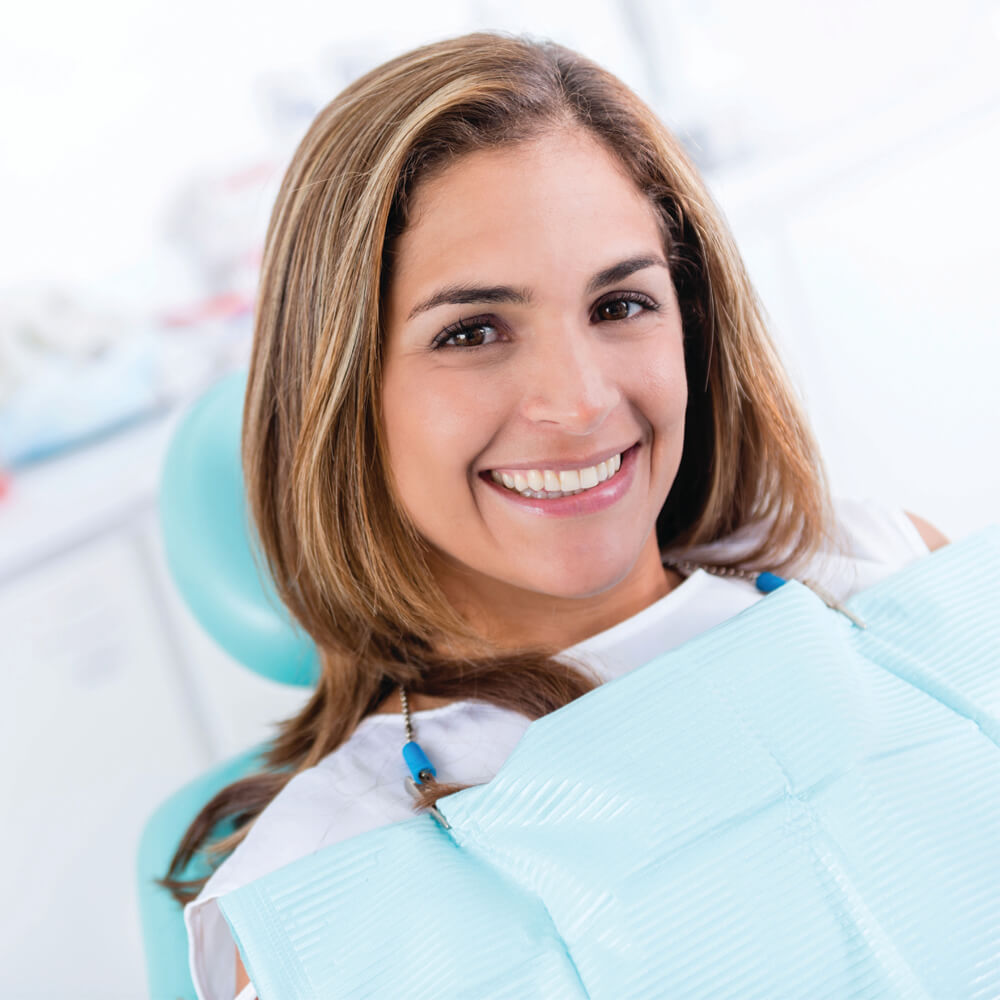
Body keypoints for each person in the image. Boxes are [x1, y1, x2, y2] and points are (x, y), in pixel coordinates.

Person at [163, 31, 948, 1000]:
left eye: (619, 304)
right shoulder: (327, 892)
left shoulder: (883, 571)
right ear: (341, 393)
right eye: (472, 331)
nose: (577, 402)